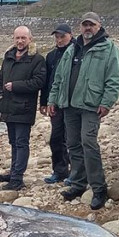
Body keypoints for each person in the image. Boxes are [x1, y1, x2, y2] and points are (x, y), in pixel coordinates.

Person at [44, 12, 119, 210]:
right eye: (84, 25)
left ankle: (99, 188)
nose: (88, 28)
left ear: (99, 26)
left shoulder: (108, 48)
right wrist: (53, 99)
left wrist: (107, 103)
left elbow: (114, 80)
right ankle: (78, 183)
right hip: (69, 105)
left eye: (91, 25)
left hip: (90, 105)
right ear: (80, 27)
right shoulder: (73, 49)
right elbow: (59, 78)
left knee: (89, 143)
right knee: (73, 144)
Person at [0, 25, 47, 191]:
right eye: (17, 38)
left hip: (24, 108)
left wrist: (15, 86)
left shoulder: (37, 59)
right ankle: (14, 172)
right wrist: (0, 94)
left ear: (30, 39)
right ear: (13, 39)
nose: (20, 41)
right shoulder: (8, 57)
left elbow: (39, 82)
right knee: (13, 142)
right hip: (8, 107)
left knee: (21, 143)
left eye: (23, 38)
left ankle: (17, 179)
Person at [41, 23, 73, 185]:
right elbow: (47, 83)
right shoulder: (51, 56)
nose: (59, 40)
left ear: (70, 35)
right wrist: (44, 102)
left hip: (71, 103)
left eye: (63, 37)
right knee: (56, 138)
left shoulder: (76, 52)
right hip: (55, 103)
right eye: (57, 37)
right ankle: (59, 171)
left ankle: (74, 173)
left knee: (72, 139)